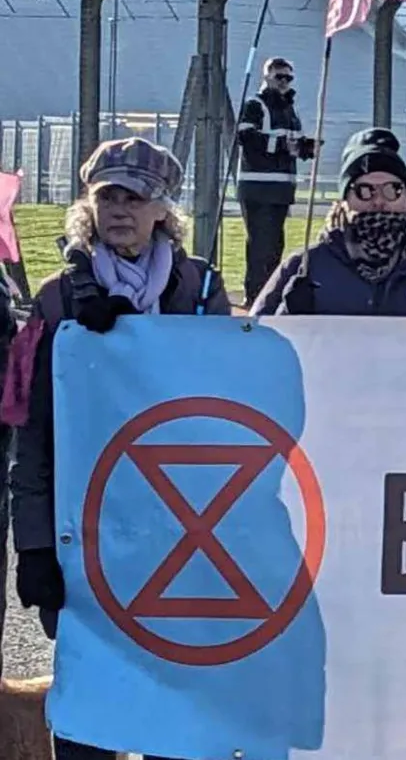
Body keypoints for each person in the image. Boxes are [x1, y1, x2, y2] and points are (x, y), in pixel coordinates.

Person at [9, 137, 228, 760]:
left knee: (178, 708)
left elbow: (228, 410)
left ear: (164, 208)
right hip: (85, 535)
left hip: (180, 533)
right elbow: (35, 435)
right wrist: (33, 547)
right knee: (91, 714)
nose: (121, 210)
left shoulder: (202, 289)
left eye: (136, 197)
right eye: (108, 196)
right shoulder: (55, 298)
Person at [250, 127, 406, 317]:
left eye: (393, 189)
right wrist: (286, 316)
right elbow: (253, 342)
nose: (379, 201)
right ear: (344, 201)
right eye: (364, 190)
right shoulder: (305, 267)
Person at [236, 56, 316, 307]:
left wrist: (306, 148)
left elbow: (292, 143)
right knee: (261, 244)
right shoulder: (255, 104)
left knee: (274, 246)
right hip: (258, 186)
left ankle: (267, 294)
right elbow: (246, 137)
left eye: (288, 78)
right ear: (267, 77)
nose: (284, 82)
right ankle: (255, 296)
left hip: (281, 188)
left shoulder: (289, 109)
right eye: (279, 77)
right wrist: (283, 146)